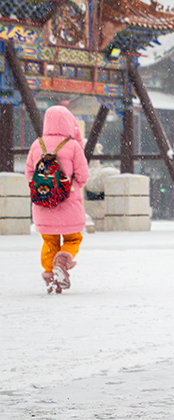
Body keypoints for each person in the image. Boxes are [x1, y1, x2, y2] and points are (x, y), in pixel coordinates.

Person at [24, 105, 89, 293]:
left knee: (49, 242)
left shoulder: (37, 145)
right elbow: (83, 175)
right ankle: (63, 260)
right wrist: (70, 188)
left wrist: (43, 190)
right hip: (68, 204)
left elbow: (29, 173)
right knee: (73, 238)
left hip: (43, 204)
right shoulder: (73, 146)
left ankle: (51, 276)